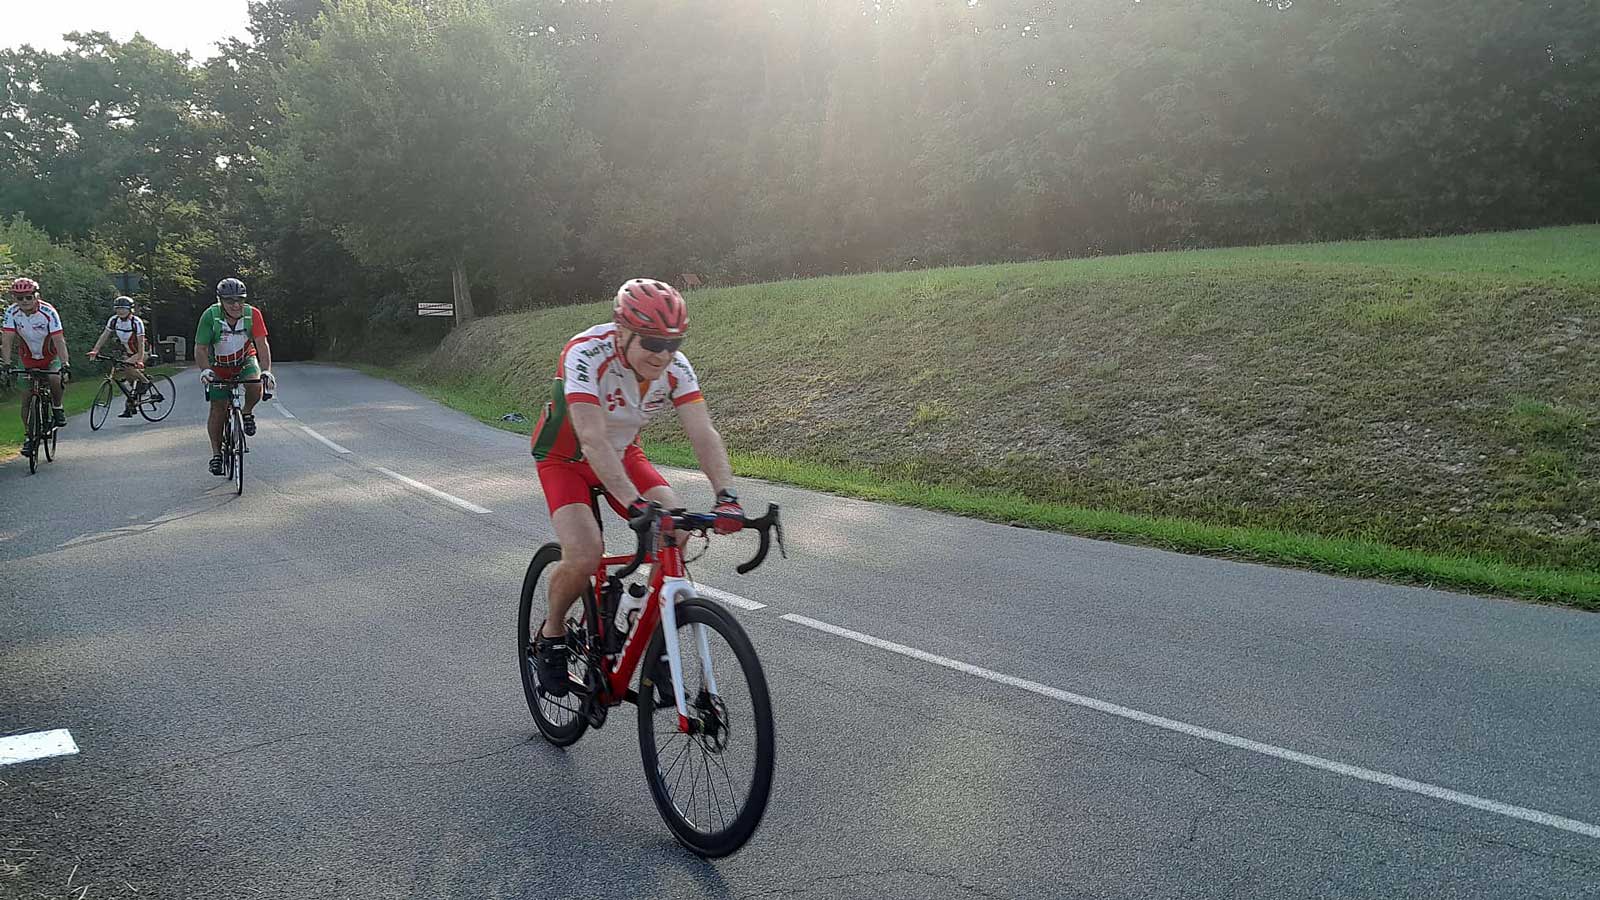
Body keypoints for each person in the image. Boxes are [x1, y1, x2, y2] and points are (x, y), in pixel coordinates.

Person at [527, 278, 744, 696]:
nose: (663, 354)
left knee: (676, 528)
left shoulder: (676, 368)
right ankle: (552, 635)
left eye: (673, 343)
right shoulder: (585, 352)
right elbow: (591, 438)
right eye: (652, 342)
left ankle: (645, 629)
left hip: (624, 454)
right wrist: (634, 504)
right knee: (585, 553)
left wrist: (727, 495)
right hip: (566, 459)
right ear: (621, 331)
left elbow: (703, 433)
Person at [194, 277, 274, 475]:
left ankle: (246, 412)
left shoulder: (252, 314)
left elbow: (261, 344)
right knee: (218, 409)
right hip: (218, 365)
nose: (236, 305)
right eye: (230, 301)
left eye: (240, 299)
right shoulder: (210, 316)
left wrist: (266, 370)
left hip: (244, 360)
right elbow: (201, 348)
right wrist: (205, 369)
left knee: (255, 385)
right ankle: (216, 455)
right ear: (220, 300)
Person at [1, 277, 71, 456]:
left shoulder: (48, 312)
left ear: (36, 296)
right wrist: (6, 363)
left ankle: (57, 407)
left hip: (50, 356)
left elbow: (59, 339)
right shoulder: (11, 312)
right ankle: (29, 436)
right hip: (28, 358)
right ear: (14, 299)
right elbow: (7, 340)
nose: (24, 301)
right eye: (19, 298)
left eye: (28, 297)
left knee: (55, 377)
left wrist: (65, 363)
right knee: (26, 398)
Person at [87, 296, 152, 417]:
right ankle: (131, 404)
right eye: (118, 308)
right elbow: (104, 335)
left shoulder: (136, 322)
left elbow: (141, 342)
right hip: (129, 352)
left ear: (130, 309)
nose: (120, 311)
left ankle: (146, 382)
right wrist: (95, 350)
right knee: (128, 377)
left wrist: (140, 360)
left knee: (128, 367)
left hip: (142, 351)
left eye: (123, 308)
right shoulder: (113, 320)